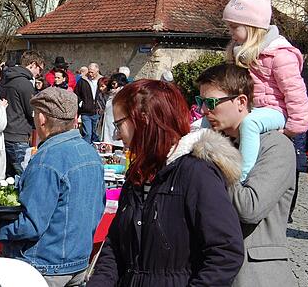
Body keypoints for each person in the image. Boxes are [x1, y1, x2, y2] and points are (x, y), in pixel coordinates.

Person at [87, 80, 244, 287]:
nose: (116, 134)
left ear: (143, 120)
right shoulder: (138, 175)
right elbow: (115, 246)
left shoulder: (197, 173)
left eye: (119, 125)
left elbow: (225, 253)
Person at [0, 88, 105, 287]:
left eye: (35, 114)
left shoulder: (47, 159)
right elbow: (98, 208)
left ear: (42, 118)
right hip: (77, 262)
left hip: (44, 265)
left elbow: (31, 224)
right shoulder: (90, 153)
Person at [196, 63, 296, 286]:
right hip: (212, 268)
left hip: (256, 274)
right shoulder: (219, 142)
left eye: (211, 102)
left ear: (241, 102)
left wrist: (216, 156)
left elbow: (250, 207)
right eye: (200, 102)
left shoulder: (275, 146)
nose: (204, 110)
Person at [222, 0, 308, 181]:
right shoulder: (243, 54)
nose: (231, 33)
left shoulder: (280, 55)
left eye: (234, 27)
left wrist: (290, 130)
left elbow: (296, 95)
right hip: (254, 109)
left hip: (275, 111)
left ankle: (242, 175)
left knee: (250, 123)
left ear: (252, 27)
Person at [0, 50, 44, 177]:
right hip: (19, 135)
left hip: (4, 132)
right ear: (33, 64)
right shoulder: (24, 83)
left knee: (8, 177)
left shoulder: (5, 79)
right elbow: (31, 110)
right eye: (39, 69)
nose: (39, 73)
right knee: (25, 176)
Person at [288, 105, 308, 223]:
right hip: (284, 147)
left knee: (293, 183)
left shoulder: (307, 107)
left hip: (298, 149)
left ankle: (289, 210)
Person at [74, 63, 102, 143]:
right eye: (89, 72)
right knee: (87, 134)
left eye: (92, 72)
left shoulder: (101, 80)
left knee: (96, 134)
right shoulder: (82, 81)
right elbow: (76, 94)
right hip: (85, 112)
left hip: (97, 112)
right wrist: (81, 104)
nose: (90, 74)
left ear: (97, 71)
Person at [101, 73, 128, 145]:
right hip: (108, 119)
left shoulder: (123, 93)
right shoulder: (111, 93)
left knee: (116, 141)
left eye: (114, 83)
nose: (112, 85)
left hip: (116, 120)